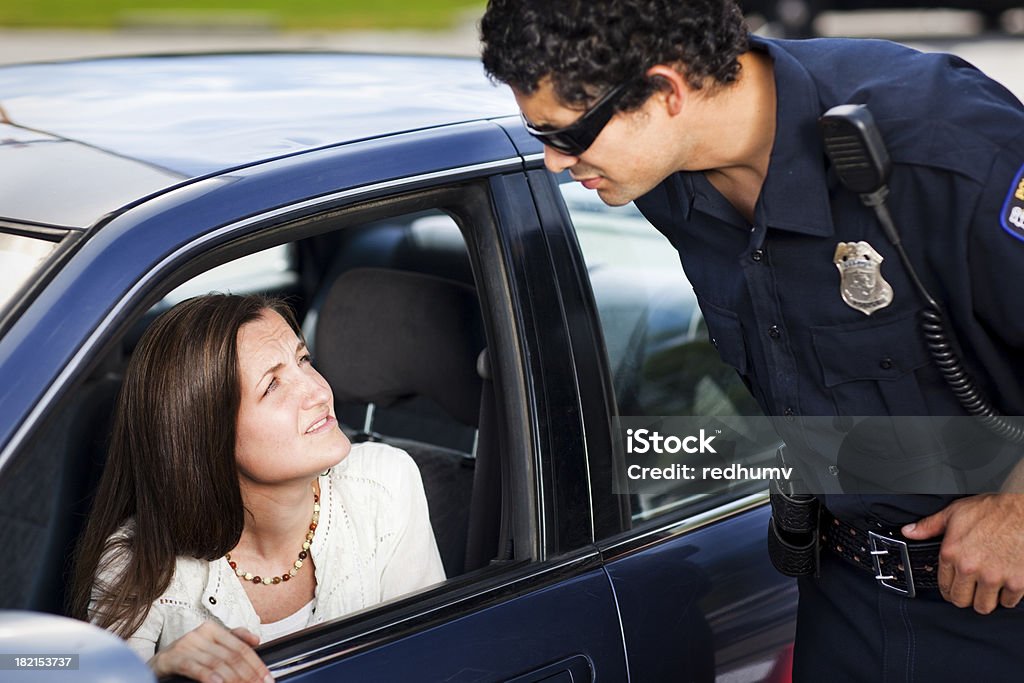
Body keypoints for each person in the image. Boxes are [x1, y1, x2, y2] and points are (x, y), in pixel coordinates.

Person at [480, 1, 1024, 680]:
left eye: (568, 133)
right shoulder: (661, 179)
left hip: (1002, 606)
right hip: (847, 600)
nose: (556, 162)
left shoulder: (942, 144)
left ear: (667, 90)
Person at [70, 294, 445, 683]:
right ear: (206, 435)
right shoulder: (138, 563)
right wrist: (155, 673)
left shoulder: (384, 483)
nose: (318, 391)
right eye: (273, 386)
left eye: (304, 360)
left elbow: (433, 659)